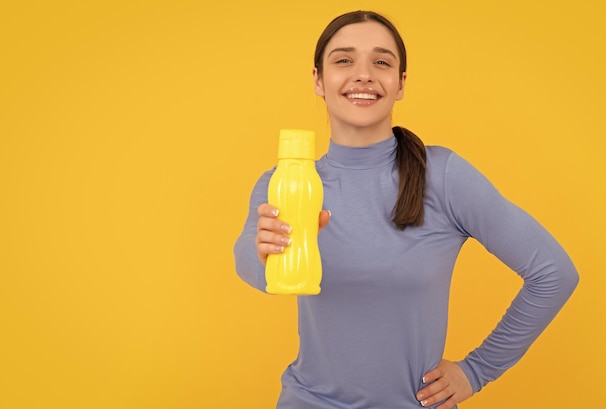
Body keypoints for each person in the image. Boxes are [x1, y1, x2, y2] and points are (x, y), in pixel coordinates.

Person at [234, 10, 578, 409]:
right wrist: (264, 251)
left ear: (400, 84)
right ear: (318, 80)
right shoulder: (286, 181)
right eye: (344, 60)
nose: (363, 74)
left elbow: (553, 272)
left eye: (381, 62)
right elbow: (250, 269)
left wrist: (477, 371)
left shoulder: (443, 176)